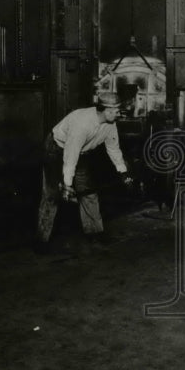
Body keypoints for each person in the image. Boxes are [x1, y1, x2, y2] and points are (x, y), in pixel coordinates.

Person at [36, 91, 131, 253]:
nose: (118, 114)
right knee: (52, 194)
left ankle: (95, 232)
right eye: (116, 111)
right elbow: (70, 155)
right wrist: (67, 184)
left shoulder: (110, 125)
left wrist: (123, 172)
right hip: (56, 148)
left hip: (80, 152)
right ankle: (41, 241)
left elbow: (113, 149)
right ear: (106, 110)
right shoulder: (82, 124)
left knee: (89, 191)